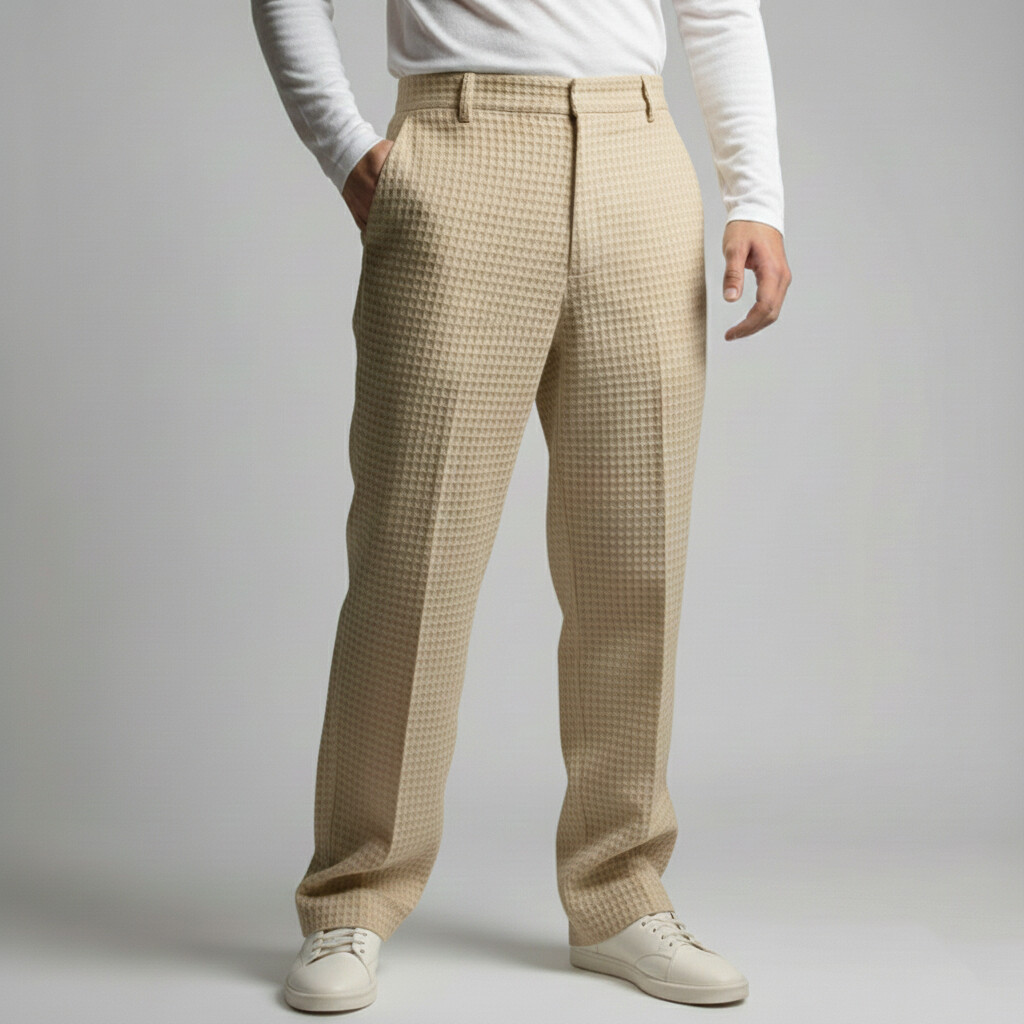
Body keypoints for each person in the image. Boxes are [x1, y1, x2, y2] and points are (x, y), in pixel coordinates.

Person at [251, 0, 791, 1013]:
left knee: (635, 561)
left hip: (639, 158)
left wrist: (755, 194)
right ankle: (353, 897)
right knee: (412, 564)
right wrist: (344, 146)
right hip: (461, 150)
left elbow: (719, 8)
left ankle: (620, 893)